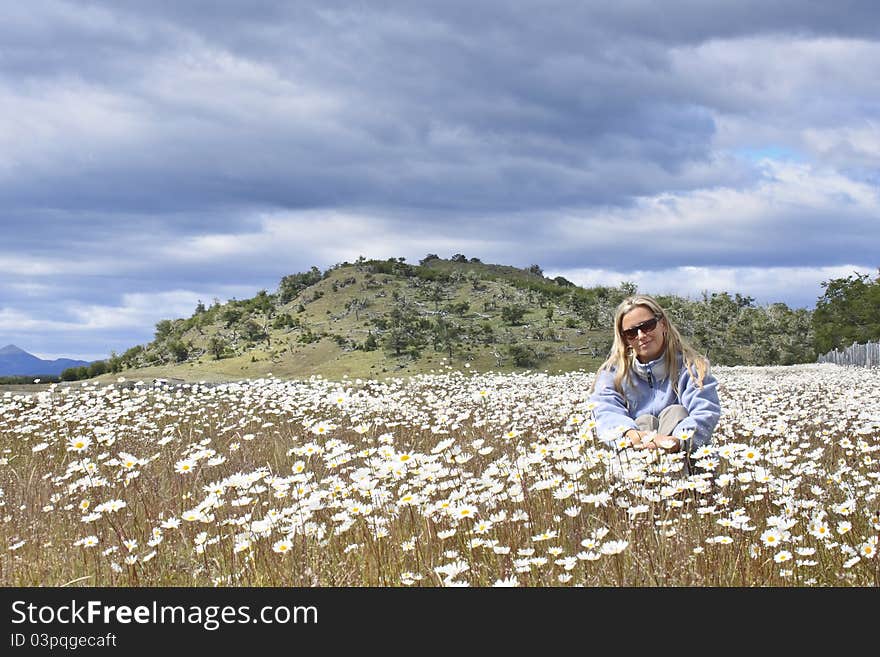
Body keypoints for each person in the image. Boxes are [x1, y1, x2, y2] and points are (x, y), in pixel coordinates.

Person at [588, 295, 720, 467]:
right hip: (636, 453)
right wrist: (629, 433)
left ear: (663, 324)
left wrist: (677, 441)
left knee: (675, 412)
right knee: (644, 422)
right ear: (624, 338)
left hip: (684, 455)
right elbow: (606, 411)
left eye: (648, 326)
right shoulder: (613, 373)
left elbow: (705, 410)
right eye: (631, 333)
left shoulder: (691, 367)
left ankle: (673, 479)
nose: (641, 335)